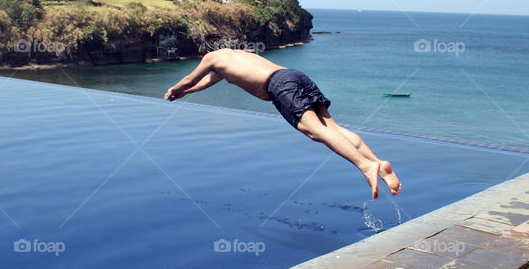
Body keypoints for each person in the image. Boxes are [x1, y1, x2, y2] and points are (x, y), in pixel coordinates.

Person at [164, 48, 401, 198]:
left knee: (316, 132)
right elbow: (206, 81)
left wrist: (175, 89)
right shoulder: (235, 57)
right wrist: (188, 93)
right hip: (295, 76)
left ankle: (366, 166)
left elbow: (189, 78)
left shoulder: (211, 57)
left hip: (278, 86)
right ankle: (379, 164)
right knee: (333, 129)